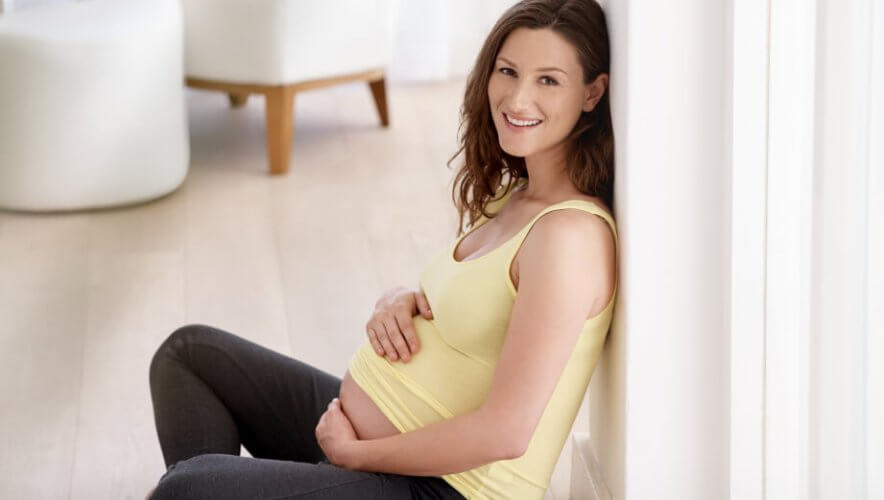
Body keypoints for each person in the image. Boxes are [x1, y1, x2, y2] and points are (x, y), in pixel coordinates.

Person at [146, 0, 616, 498]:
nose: (518, 98)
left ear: (592, 92)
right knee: (188, 356)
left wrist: (355, 455)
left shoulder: (569, 239)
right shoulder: (514, 194)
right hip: (370, 444)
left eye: (549, 80)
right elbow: (471, 312)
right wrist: (400, 298)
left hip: (440, 489)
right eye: (508, 71)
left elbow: (507, 431)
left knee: (189, 488)